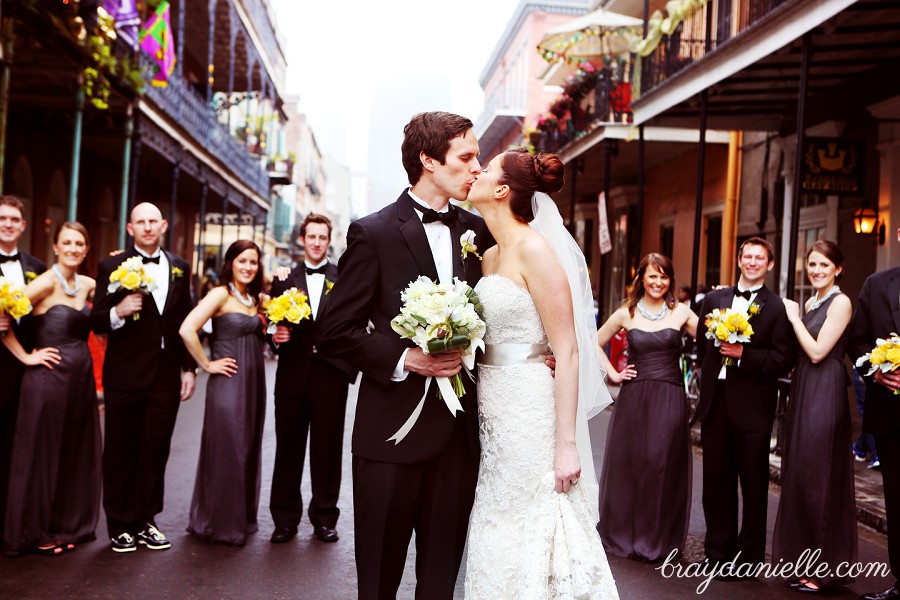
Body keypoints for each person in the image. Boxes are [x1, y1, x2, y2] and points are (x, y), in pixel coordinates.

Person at [317, 111, 491, 599]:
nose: (477, 166)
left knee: (439, 584)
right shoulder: (371, 233)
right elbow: (334, 329)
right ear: (429, 161)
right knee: (378, 583)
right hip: (388, 438)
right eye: (466, 156)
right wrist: (404, 359)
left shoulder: (481, 234)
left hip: (459, 439)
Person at [461, 148, 618, 598]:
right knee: (497, 512)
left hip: (530, 408)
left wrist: (566, 445)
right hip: (493, 409)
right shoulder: (489, 256)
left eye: (485, 169)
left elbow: (567, 350)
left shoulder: (536, 250)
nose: (477, 172)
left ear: (503, 189)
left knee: (537, 511)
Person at [90, 202, 196, 553]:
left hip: (165, 376)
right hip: (125, 374)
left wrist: (189, 368)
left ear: (163, 225)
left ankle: (147, 519)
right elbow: (97, 320)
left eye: (153, 221)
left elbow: (183, 322)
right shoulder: (112, 266)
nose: (148, 227)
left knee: (155, 448)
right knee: (121, 449)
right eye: (141, 222)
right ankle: (119, 524)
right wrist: (118, 311)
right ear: (130, 228)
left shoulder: (180, 267)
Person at [695, 236, 795, 578]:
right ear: (739, 260)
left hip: (753, 407)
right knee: (715, 483)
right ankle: (717, 553)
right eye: (747, 256)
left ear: (768, 265)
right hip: (715, 404)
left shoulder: (777, 307)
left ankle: (748, 560)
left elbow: (784, 358)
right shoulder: (713, 299)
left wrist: (745, 355)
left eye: (759, 258)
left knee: (753, 486)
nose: (752, 262)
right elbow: (700, 347)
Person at [1, 221, 98, 556]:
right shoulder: (42, 283)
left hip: (79, 380)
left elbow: (109, 308)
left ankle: (64, 524)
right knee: (43, 451)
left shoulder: (87, 284)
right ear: (55, 247)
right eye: (66, 243)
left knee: (70, 450)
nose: (73, 248)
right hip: (47, 379)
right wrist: (25, 356)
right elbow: (2, 313)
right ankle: (34, 530)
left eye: (79, 243)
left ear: (86, 249)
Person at [595, 253, 697, 562]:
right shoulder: (626, 312)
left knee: (660, 463)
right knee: (633, 464)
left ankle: (657, 538)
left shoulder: (682, 313)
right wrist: (613, 373)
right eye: (652, 276)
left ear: (670, 281)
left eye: (664, 277)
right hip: (635, 397)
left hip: (669, 396)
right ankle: (627, 533)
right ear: (641, 278)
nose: (658, 282)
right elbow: (594, 341)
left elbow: (710, 339)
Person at [772, 240, 856, 594]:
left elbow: (820, 350)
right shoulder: (812, 301)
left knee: (820, 476)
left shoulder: (841, 302)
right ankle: (803, 560)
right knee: (803, 474)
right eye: (812, 265)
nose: (817, 271)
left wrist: (793, 319)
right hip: (805, 386)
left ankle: (822, 568)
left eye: (824, 265)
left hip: (826, 388)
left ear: (838, 269)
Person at [268, 214, 356, 544]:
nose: (317, 242)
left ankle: (324, 517)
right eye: (311, 237)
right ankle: (285, 519)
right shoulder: (284, 278)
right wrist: (272, 335)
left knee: (327, 450)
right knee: (287, 449)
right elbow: (271, 321)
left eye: (322, 237)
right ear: (302, 240)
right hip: (291, 376)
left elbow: (354, 322)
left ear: (328, 241)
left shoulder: (343, 278)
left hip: (330, 378)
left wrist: (348, 368)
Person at [179, 240, 266, 545]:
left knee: (246, 445)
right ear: (231, 263)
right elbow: (187, 329)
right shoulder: (220, 294)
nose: (248, 267)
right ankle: (220, 523)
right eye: (242, 260)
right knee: (230, 446)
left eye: (253, 262)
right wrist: (205, 364)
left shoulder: (254, 298)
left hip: (254, 382)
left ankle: (237, 518)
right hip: (228, 382)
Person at [851, 264, 900, 600]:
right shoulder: (876, 283)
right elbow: (856, 341)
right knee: (896, 500)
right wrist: (876, 373)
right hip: (890, 415)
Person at [0, 195, 46, 538]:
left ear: (23, 226)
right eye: (2, 218)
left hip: (24, 369)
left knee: (16, 444)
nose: (7, 224)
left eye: (14, 219)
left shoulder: (36, 268)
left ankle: (10, 521)